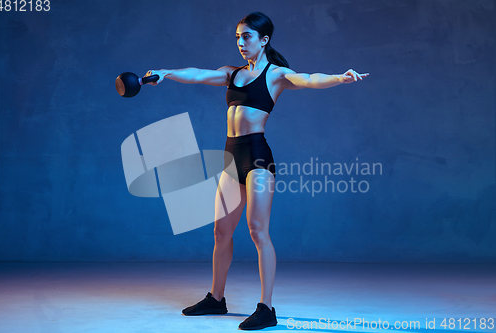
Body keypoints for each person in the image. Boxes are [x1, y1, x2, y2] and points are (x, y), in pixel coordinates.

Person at [144, 11, 369, 331]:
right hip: (230, 156)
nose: (240, 42)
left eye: (246, 36)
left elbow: (309, 78)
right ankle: (216, 299)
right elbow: (197, 74)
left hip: (258, 157)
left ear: (264, 40)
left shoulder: (276, 74)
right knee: (220, 232)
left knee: (257, 231)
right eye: (236, 37)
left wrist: (339, 77)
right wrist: (167, 72)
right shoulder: (232, 73)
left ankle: (267, 308)